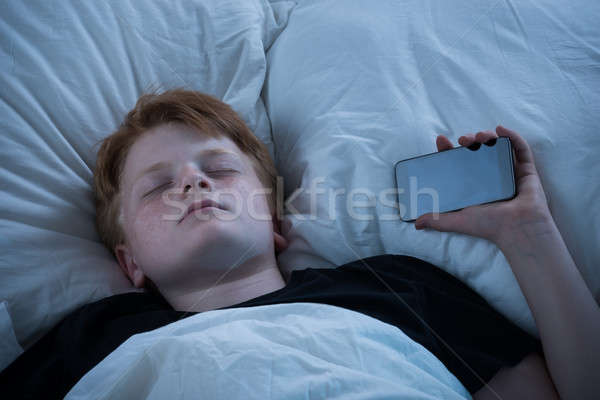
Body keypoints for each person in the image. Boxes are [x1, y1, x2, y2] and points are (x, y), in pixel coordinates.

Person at [1, 89, 598, 399]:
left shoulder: (392, 287)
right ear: (129, 262)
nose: (193, 182)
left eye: (220, 169)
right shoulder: (89, 342)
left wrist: (531, 236)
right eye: (159, 187)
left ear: (274, 221)